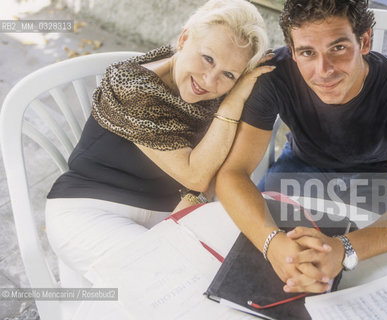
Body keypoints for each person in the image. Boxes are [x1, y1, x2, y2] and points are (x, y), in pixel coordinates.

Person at [215, 0, 387, 294]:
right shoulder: (273, 74)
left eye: (338, 48)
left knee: (369, 283)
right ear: (294, 52)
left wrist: (343, 249)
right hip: (299, 166)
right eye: (308, 52)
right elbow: (231, 173)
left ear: (364, 41)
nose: (324, 71)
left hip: (379, 177)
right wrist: (272, 243)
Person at [45, 0, 273, 280]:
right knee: (166, 279)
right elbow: (197, 176)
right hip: (90, 207)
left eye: (229, 74)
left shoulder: (205, 88)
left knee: (239, 269)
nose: (210, 80)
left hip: (167, 210)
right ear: (184, 38)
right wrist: (232, 102)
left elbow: (219, 171)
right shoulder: (132, 85)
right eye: (208, 58)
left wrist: (187, 208)